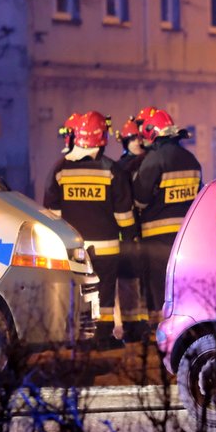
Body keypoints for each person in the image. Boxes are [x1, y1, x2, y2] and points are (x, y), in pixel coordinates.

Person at [44, 111, 135, 350]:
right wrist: (129, 238)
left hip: (73, 249)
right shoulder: (112, 170)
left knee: (76, 291)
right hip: (107, 248)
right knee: (104, 294)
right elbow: (124, 213)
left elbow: (52, 213)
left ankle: (77, 337)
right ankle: (102, 337)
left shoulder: (60, 169)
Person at [133, 108, 202, 324]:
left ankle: (160, 329)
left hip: (157, 236)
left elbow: (140, 199)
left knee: (159, 284)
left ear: (152, 133)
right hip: (186, 236)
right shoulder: (192, 160)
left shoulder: (154, 160)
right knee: (183, 282)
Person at [113, 113, 149, 343]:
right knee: (130, 278)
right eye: (132, 139)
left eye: (139, 138)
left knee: (146, 280)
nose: (137, 142)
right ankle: (131, 324)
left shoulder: (152, 162)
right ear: (125, 142)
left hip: (149, 228)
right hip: (129, 230)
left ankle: (145, 324)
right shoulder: (120, 168)